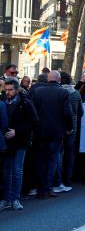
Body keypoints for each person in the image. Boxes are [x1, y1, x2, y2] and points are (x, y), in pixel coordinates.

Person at [31, 70, 73, 200]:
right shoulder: (63, 92)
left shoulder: (37, 92)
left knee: (41, 160)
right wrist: (69, 128)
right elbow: (68, 113)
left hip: (40, 132)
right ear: (59, 80)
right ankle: (47, 188)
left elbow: (33, 111)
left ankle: (40, 188)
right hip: (56, 132)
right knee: (52, 160)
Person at [2, 78, 37, 211]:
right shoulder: (3, 102)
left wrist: (17, 131)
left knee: (17, 170)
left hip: (21, 141)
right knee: (6, 171)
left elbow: (34, 121)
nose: (8, 92)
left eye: (10, 90)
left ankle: (15, 198)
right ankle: (6, 199)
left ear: (16, 89)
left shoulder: (25, 102)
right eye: (6, 90)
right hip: (6, 141)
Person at [54, 71, 81, 194]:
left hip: (59, 127)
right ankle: (68, 179)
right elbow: (80, 112)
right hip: (72, 127)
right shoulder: (75, 94)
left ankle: (57, 180)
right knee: (70, 154)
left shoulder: (57, 93)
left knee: (59, 154)